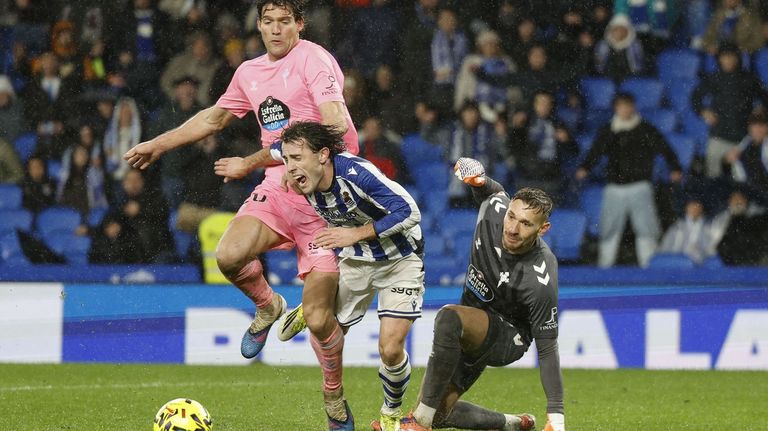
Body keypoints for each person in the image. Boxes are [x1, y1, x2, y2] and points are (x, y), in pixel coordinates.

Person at [123, 2, 359, 430]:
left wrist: (286, 162)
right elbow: (213, 118)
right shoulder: (249, 72)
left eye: (283, 21)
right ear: (258, 25)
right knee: (229, 255)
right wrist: (159, 143)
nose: (274, 29)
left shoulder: (315, 60)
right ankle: (268, 306)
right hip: (278, 188)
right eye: (267, 21)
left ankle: (333, 397)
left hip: (327, 202)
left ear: (299, 25)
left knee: (320, 320)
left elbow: (337, 127)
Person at [376, 157, 563, 431]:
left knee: (448, 318)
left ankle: (418, 423)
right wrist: (479, 180)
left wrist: (556, 418)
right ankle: (514, 424)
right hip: (471, 325)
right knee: (443, 413)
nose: (512, 228)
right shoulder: (496, 209)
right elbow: (492, 191)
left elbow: (547, 349)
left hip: (508, 338)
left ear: (542, 229)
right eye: (512, 216)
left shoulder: (541, 274)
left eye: (525, 224)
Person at [271, 121, 424, 431]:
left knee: (391, 349)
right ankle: (314, 311)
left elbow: (410, 211)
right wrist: (268, 164)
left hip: (400, 260)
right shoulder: (299, 165)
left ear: (324, 155)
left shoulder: (356, 174)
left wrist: (355, 234)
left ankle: (390, 413)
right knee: (324, 332)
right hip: (356, 262)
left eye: (298, 158)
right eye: (288, 159)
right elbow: (273, 150)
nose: (291, 165)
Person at [576, 92, 682, 268]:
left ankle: (649, 268)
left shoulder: (646, 129)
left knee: (646, 230)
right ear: (616, 108)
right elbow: (595, 151)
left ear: (633, 107)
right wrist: (585, 168)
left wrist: (675, 167)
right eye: (621, 105)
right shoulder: (608, 130)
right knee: (609, 231)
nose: (625, 109)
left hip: (640, 186)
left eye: (628, 105)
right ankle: (605, 268)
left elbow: (665, 148)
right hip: (614, 188)